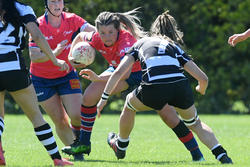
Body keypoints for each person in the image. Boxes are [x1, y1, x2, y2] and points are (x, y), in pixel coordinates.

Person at [62, 8, 205, 162]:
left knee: (168, 115)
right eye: (102, 33)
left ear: (118, 29)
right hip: (119, 71)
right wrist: (72, 57)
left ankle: (197, 154)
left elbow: (124, 74)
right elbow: (79, 36)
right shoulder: (95, 37)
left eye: (111, 32)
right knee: (89, 97)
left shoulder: (126, 41)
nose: (106, 36)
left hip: (142, 73)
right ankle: (84, 143)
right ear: (97, 31)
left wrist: (98, 78)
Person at [97, 10, 233, 164]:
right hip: (180, 87)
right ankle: (222, 155)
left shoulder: (140, 43)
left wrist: (104, 99)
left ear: (153, 31)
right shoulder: (173, 47)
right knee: (195, 123)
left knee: (129, 104)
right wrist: (200, 89)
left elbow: (118, 73)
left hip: (154, 87)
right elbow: (203, 78)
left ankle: (121, 145)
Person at [0, 0, 73, 166]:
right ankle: (57, 159)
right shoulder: (23, 9)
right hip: (14, 67)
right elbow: (38, 36)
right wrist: (54, 59)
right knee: (36, 117)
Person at [28, 0, 96, 161]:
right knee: (60, 120)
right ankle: (78, 152)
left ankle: (79, 138)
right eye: (52, 1)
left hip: (66, 75)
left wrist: (88, 51)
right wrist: (55, 52)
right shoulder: (38, 24)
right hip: (41, 80)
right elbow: (34, 57)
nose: (57, 4)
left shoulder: (73, 19)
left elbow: (95, 33)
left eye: (59, 0)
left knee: (77, 114)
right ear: (46, 4)